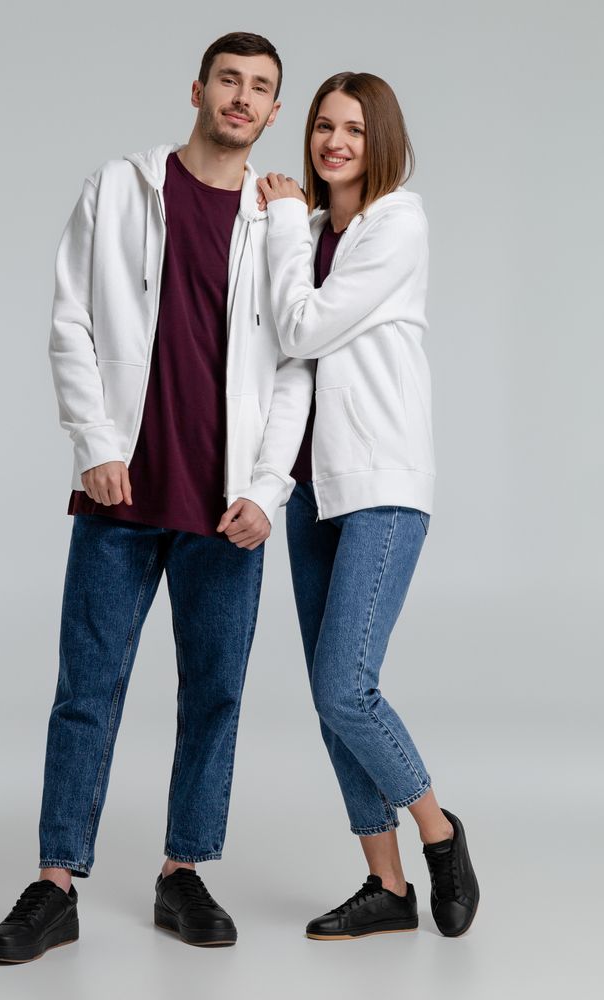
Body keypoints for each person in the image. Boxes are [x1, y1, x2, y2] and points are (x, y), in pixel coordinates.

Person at [0, 32, 313, 962]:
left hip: (227, 508)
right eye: (229, 80)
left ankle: (183, 871)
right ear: (198, 89)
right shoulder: (122, 188)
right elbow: (71, 320)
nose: (242, 97)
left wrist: (268, 488)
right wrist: (94, 443)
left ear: (274, 111)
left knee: (216, 693)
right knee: (86, 690)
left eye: (260, 88)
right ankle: (55, 885)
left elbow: (297, 365)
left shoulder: (280, 217)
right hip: (123, 491)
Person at [257, 72, 479, 940]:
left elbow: (302, 327)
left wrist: (282, 221)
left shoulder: (397, 221)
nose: (334, 142)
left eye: (352, 128)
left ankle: (439, 832)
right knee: (330, 697)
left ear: (379, 138)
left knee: (345, 686)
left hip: (382, 481)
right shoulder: (311, 231)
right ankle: (386, 886)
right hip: (310, 488)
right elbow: (283, 357)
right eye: (322, 126)